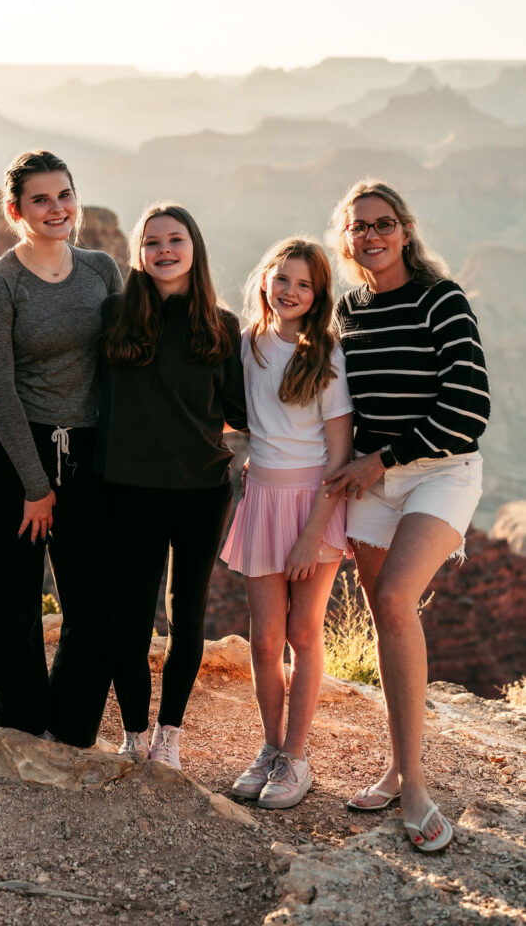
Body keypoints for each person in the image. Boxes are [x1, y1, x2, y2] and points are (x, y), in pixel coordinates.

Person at [323, 180, 489, 852]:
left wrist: (379, 461)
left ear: (404, 230)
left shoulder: (440, 300)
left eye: (382, 223)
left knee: (394, 597)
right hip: (372, 478)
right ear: (346, 238)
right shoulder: (347, 310)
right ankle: (396, 766)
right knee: (385, 614)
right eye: (358, 226)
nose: (371, 235)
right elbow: (332, 401)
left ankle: (415, 784)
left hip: (439, 473)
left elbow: (468, 407)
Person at [0, 149, 122, 746]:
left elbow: (126, 357)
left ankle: (72, 726)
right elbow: (0, 392)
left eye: (64, 195)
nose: (57, 208)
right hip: (13, 450)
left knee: (93, 598)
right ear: (16, 210)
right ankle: (21, 727)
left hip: (83, 450)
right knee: (14, 598)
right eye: (41, 199)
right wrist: (36, 487)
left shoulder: (101, 269)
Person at [97, 202, 247, 769]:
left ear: (194, 247)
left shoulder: (221, 325)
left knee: (187, 616)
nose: (164, 249)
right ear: (139, 252)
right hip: (126, 488)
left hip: (201, 491)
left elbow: (239, 410)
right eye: (152, 240)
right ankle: (134, 732)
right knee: (129, 617)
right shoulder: (113, 314)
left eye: (175, 239)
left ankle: (170, 735)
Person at [220, 239, 353, 808]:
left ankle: (297, 759)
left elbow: (339, 454)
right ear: (266, 280)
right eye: (282, 280)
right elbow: (240, 417)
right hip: (262, 499)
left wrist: (310, 535)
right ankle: (271, 748)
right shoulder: (248, 345)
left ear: (317, 294)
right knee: (265, 638)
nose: (290, 292)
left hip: (312, 504)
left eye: (303, 284)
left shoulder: (325, 353)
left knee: (303, 632)